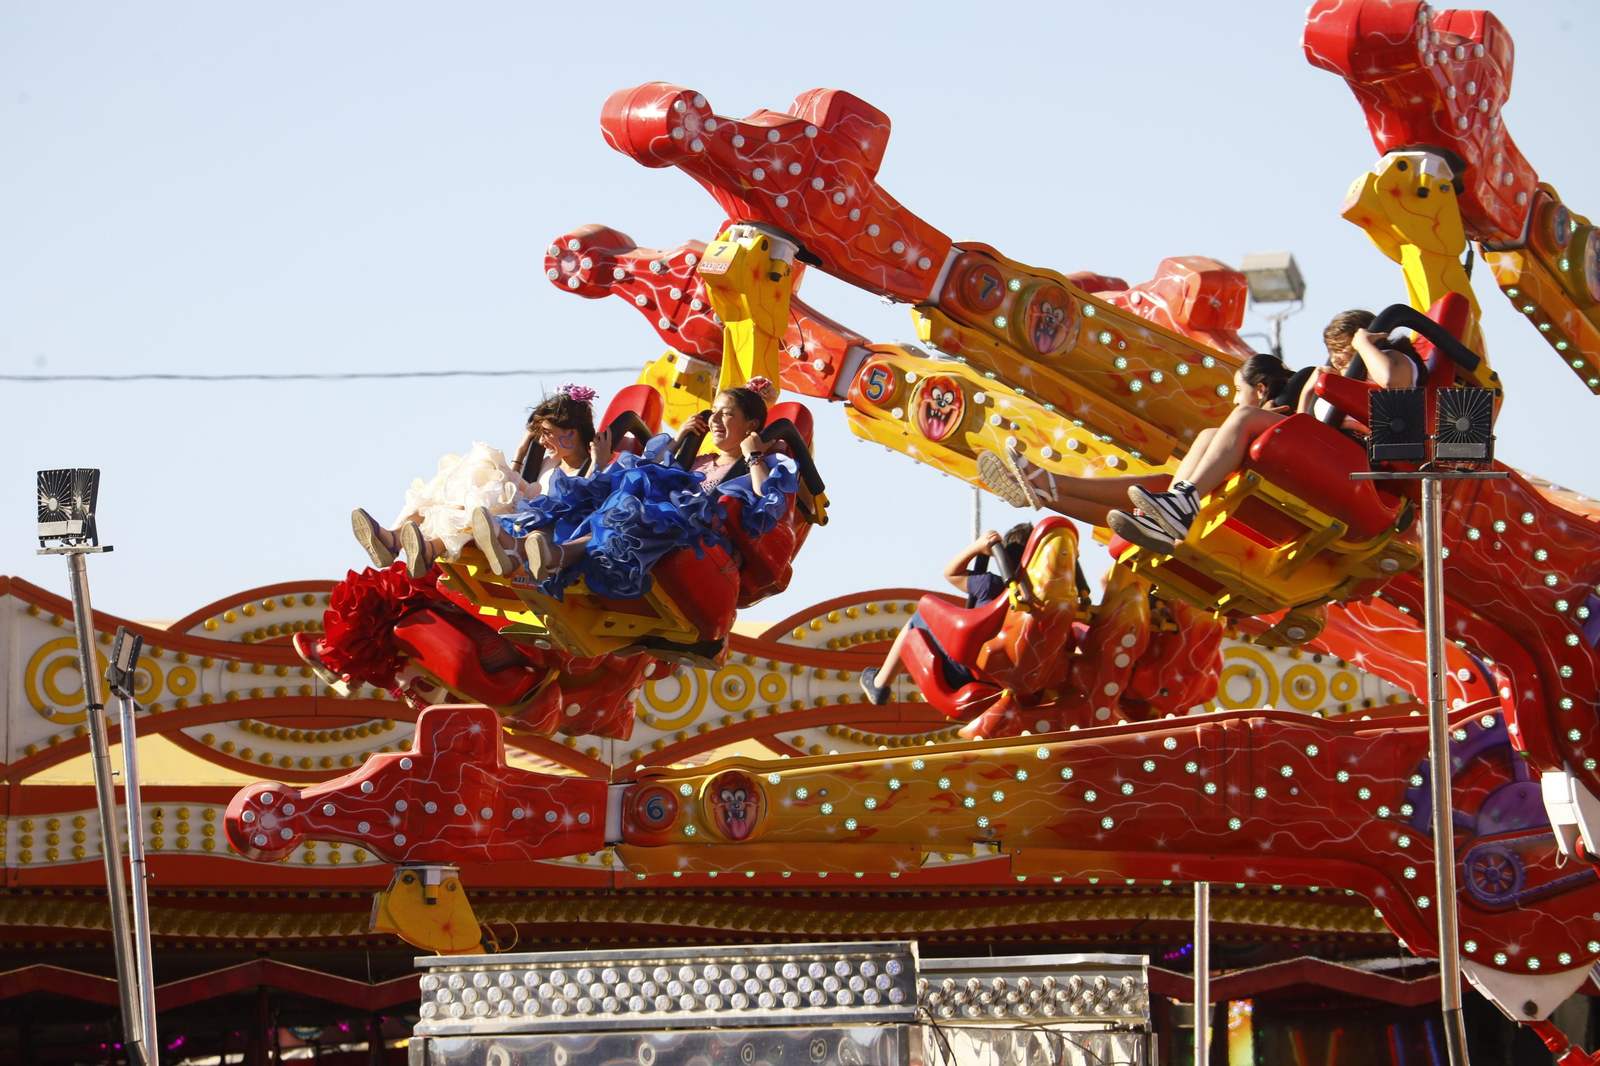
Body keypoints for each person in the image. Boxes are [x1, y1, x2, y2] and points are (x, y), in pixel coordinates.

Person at [477, 379, 799, 600]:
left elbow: (765, 500)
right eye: (712, 412)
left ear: (752, 425)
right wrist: (681, 436)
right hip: (659, 515)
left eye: (726, 413)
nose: (714, 419)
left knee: (630, 511)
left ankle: (551, 553)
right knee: (598, 498)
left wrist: (753, 454)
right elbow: (656, 466)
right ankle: (521, 548)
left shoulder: (756, 465)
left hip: (692, 530)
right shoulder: (699, 458)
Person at [351, 385, 602, 578]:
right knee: (460, 481)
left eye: (548, 433)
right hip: (515, 508)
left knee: (482, 489)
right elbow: (522, 480)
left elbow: (584, 500)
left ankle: (427, 548)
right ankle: (393, 537)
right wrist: (521, 450)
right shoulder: (547, 462)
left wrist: (598, 461)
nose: (543, 441)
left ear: (572, 432)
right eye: (541, 435)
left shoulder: (587, 467)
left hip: (531, 521)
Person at [1105, 353, 1297, 555]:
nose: (1235, 399)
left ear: (1260, 390)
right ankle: (1164, 516)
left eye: (1239, 391)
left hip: (1292, 469)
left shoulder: (1278, 413)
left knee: (1242, 415)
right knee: (1208, 434)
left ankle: (1182, 505)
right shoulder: (1260, 416)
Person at [858, 523, 1032, 706]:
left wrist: (977, 547)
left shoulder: (990, 586)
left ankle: (881, 683)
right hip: (1009, 680)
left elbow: (950, 572)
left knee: (921, 615)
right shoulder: (1044, 602)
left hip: (962, 672)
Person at [1299, 309, 1426, 422]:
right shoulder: (1341, 382)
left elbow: (1390, 380)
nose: (1334, 359)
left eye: (1340, 349)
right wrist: (1307, 391)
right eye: (1331, 351)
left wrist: (1363, 344)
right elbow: (1303, 434)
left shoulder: (1391, 357)